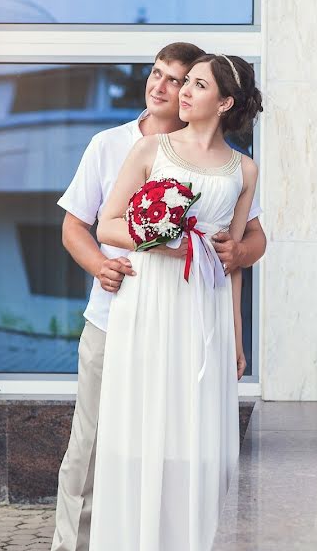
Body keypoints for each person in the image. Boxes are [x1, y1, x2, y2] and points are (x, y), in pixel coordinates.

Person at [52, 43, 266, 551]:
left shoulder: (243, 169)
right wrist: (133, 250)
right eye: (163, 76)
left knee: (187, 440)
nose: (166, 87)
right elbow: (88, 225)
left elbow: (240, 253)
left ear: (224, 102)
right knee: (100, 442)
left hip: (200, 316)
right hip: (127, 311)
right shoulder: (121, 145)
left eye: (186, 81)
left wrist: (236, 333)